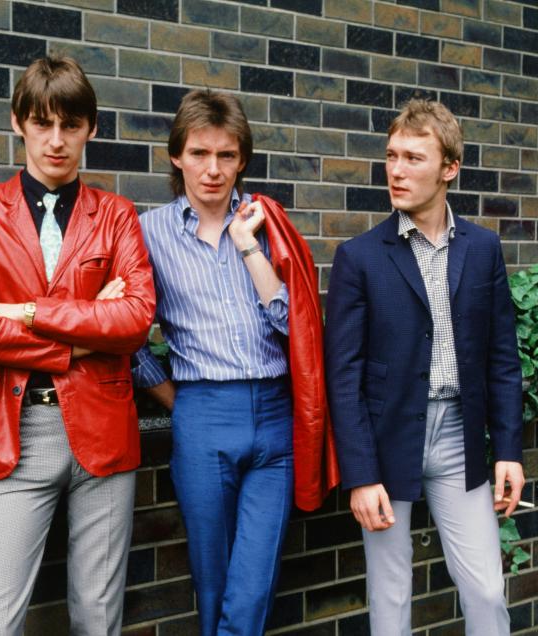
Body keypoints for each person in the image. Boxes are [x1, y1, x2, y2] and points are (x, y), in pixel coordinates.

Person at [0, 56, 156, 635]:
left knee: (99, 617)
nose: (56, 141)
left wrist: (27, 312)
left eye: (71, 125)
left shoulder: (116, 215)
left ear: (92, 129)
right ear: (18, 123)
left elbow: (134, 323)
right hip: (16, 431)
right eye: (41, 123)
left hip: (105, 431)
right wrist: (79, 341)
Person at [132, 89, 337, 636]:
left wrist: (249, 248)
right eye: (200, 154)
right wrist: (174, 398)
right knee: (214, 583)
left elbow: (299, 329)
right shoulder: (148, 232)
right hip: (202, 415)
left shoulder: (268, 224)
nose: (213, 170)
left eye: (226, 156)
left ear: (241, 159)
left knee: (252, 585)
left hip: (276, 418)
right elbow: (126, 332)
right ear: (177, 156)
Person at [324, 99, 525, 636]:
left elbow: (503, 358)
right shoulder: (360, 257)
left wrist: (507, 450)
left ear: (449, 168)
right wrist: (361, 475)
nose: (396, 170)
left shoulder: (483, 249)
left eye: (414, 157)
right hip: (389, 437)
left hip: (458, 433)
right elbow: (342, 376)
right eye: (392, 156)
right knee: (390, 594)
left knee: (485, 586)